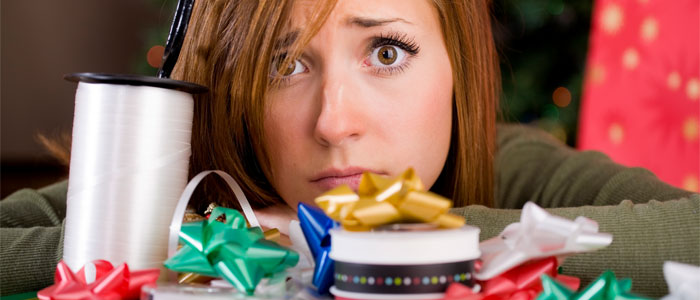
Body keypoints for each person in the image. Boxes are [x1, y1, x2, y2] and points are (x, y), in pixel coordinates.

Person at [1, 0, 697, 297]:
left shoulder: (509, 164)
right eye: (285, 64)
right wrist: (186, 239)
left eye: (386, 51)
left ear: (460, 66)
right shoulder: (189, 184)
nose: (335, 122)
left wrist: (425, 241)